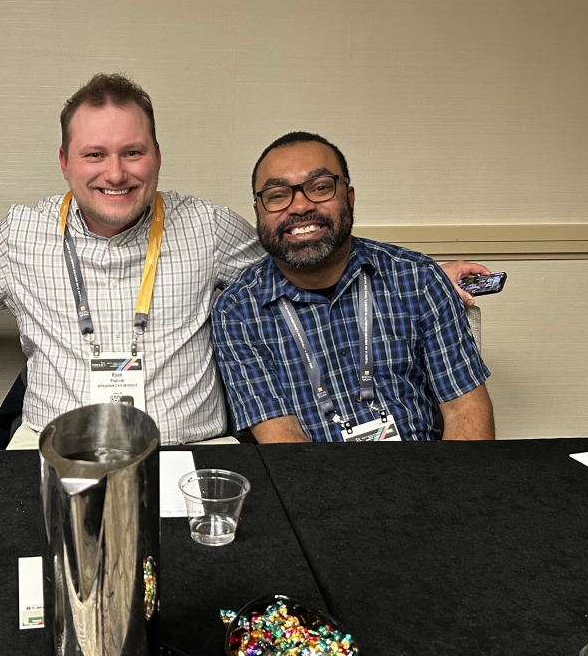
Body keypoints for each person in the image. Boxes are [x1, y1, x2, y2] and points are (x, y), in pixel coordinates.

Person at [0, 74, 487, 447]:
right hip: (61, 447)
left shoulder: (206, 228)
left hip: (191, 449)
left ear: (157, 157)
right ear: (65, 162)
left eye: (132, 152)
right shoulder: (22, 234)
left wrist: (422, 274)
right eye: (94, 154)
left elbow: (300, 251)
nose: (115, 173)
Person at [211, 131, 494, 443]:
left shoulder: (417, 278)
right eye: (277, 195)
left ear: (349, 197)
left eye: (320, 187)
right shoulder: (238, 311)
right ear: (258, 213)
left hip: (421, 464)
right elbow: (281, 439)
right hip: (311, 469)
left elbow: (465, 410)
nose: (300, 206)